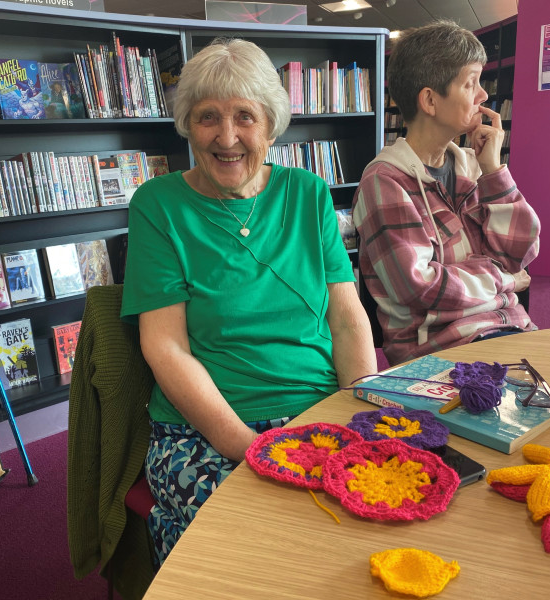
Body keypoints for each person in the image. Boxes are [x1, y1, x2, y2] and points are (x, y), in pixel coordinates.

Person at [121, 38, 376, 565]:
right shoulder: (158, 206)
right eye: (208, 117)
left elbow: (348, 319)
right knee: (259, 546)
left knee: (386, 508)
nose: (227, 136)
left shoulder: (308, 193)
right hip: (209, 430)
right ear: (187, 125)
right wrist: (247, 446)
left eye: (245, 116)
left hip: (320, 411)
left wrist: (359, 413)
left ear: (272, 124)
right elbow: (165, 348)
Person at [353, 20, 540, 367]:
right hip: (439, 355)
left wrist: (495, 172)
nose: (483, 95)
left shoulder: (472, 165)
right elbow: (421, 288)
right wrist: (505, 280)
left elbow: (519, 253)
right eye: (471, 83)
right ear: (429, 101)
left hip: (509, 331)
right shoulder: (383, 182)